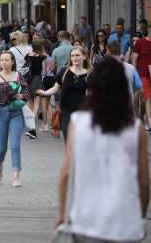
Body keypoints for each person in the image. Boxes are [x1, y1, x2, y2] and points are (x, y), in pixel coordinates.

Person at [56, 57, 148, 242]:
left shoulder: (78, 123)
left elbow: (67, 174)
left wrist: (62, 213)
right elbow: (144, 182)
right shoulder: (136, 128)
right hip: (125, 222)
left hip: (86, 220)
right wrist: (140, 216)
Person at [0, 51, 29, 187]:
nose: (4, 62)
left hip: (16, 113)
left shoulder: (18, 76)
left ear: (12, 62)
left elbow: (27, 93)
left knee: (15, 146)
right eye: (2, 60)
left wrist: (19, 96)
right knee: (1, 148)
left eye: (7, 60)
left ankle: (16, 176)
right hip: (0, 113)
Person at [37, 46, 93, 141]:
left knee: (80, 141)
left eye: (77, 55)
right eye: (72, 56)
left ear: (84, 57)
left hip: (83, 113)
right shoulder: (65, 71)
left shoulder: (90, 74)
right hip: (66, 111)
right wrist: (45, 92)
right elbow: (55, 88)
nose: (74, 58)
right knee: (69, 140)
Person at [106, 40, 142, 106]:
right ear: (121, 52)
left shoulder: (103, 70)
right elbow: (140, 90)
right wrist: (133, 102)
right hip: (128, 109)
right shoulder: (131, 68)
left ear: (108, 52)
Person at [24, 39, 46, 138]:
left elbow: (24, 69)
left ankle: (32, 129)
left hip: (28, 81)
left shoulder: (27, 55)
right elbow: (44, 71)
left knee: (31, 106)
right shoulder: (42, 57)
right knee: (37, 106)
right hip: (37, 80)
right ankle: (33, 130)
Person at [133, 26, 151, 133]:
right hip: (143, 75)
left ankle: (140, 118)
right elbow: (134, 60)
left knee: (146, 100)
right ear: (149, 32)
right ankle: (149, 124)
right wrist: (135, 76)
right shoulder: (140, 43)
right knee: (147, 98)